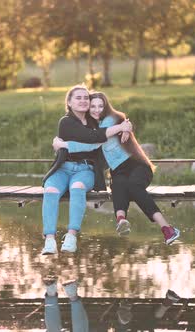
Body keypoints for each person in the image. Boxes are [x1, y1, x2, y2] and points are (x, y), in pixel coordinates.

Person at [52, 91, 180, 245]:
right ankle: (121, 220)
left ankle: (167, 228)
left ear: (106, 106)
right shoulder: (94, 126)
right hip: (117, 169)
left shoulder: (110, 120)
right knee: (117, 185)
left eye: (101, 106)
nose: (97, 110)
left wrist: (63, 145)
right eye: (93, 106)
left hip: (137, 165)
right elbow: (89, 139)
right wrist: (125, 126)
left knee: (133, 186)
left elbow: (94, 142)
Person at [41, 85, 133, 255]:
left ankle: (71, 236)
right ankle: (49, 239)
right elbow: (92, 138)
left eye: (86, 97)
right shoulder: (66, 122)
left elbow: (115, 120)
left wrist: (126, 125)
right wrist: (118, 129)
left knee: (77, 188)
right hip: (62, 169)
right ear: (69, 102)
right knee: (51, 190)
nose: (83, 100)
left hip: (85, 170)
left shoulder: (95, 121)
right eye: (78, 97)